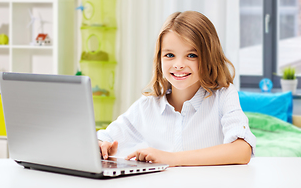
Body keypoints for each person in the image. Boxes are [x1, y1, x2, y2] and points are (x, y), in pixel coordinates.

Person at [97, 11, 256, 167]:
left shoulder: (223, 96)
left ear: (209, 57)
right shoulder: (147, 106)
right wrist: (102, 145)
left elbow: (242, 150)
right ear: (159, 58)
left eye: (191, 55)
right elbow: (106, 137)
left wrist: (172, 158)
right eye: (170, 55)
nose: (178, 64)